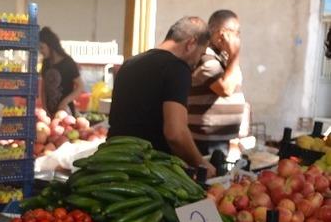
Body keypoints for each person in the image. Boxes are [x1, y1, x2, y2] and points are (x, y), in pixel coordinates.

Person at [109, 16, 215, 177]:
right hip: (147, 171)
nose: (198, 61)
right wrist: (201, 164)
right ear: (191, 43)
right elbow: (175, 133)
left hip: (113, 162)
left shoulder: (130, 64)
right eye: (201, 53)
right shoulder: (177, 69)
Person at [187, 10, 249, 155]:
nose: (237, 38)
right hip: (207, 140)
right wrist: (235, 54)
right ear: (221, 33)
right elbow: (225, 89)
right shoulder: (204, 56)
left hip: (224, 139)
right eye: (234, 32)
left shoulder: (222, 57)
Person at [38, 27, 83, 116]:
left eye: (42, 47)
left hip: (66, 113)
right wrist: (44, 107)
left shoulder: (68, 63)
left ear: (50, 46)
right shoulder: (46, 62)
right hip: (49, 113)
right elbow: (43, 88)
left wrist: (65, 101)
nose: (40, 51)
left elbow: (80, 86)